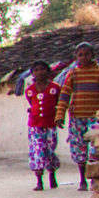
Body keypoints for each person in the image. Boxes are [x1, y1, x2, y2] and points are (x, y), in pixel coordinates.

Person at [60, 40, 99, 191]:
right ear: (76, 56)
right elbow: (65, 94)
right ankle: (82, 179)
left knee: (95, 150)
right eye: (80, 55)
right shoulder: (73, 74)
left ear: (92, 55)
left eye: (87, 54)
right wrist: (60, 114)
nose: (83, 57)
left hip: (94, 117)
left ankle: (94, 179)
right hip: (77, 117)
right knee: (79, 150)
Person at [25, 58, 61, 191]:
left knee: (50, 150)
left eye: (42, 69)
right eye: (36, 70)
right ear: (32, 73)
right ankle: (39, 180)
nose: (39, 72)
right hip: (35, 125)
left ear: (47, 71)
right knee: (38, 150)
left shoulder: (55, 88)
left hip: (50, 124)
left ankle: (52, 174)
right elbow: (31, 103)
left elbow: (59, 103)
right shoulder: (30, 90)